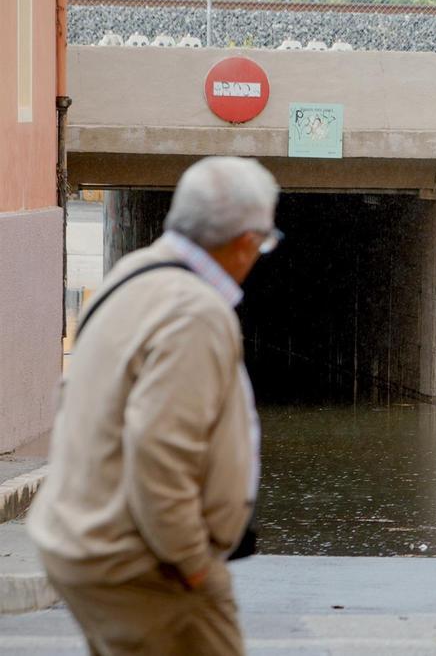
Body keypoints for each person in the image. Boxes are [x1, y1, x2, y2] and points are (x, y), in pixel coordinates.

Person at [28, 156, 281, 655]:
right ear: (247, 241)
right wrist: (193, 563)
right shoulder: (194, 311)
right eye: (265, 243)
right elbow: (159, 449)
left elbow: (71, 399)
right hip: (145, 566)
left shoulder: (131, 277)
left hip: (83, 545)